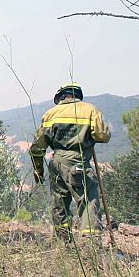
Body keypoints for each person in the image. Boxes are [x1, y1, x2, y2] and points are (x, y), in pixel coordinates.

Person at [29, 83, 111, 243]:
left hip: (56, 163)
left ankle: (63, 242)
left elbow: (37, 148)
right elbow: (103, 136)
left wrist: (38, 171)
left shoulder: (50, 114)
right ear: (77, 95)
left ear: (60, 97)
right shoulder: (90, 110)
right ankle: (90, 244)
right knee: (88, 200)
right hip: (78, 162)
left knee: (59, 201)